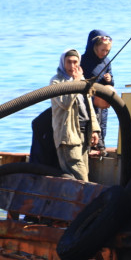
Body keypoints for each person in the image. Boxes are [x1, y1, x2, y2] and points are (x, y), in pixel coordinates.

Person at [50, 48, 100, 181]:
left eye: (75, 62)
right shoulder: (56, 82)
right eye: (68, 62)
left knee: (84, 172)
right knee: (80, 175)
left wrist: (94, 129)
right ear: (63, 62)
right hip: (68, 135)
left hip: (84, 133)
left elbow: (89, 106)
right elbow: (65, 103)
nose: (72, 66)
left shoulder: (82, 80)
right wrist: (77, 82)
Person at [82, 29, 114, 150]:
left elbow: (112, 81)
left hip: (103, 100)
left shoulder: (107, 61)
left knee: (102, 123)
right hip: (89, 99)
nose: (105, 53)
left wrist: (109, 79)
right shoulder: (84, 60)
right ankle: (89, 146)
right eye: (102, 50)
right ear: (95, 47)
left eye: (107, 51)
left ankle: (101, 146)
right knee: (90, 122)